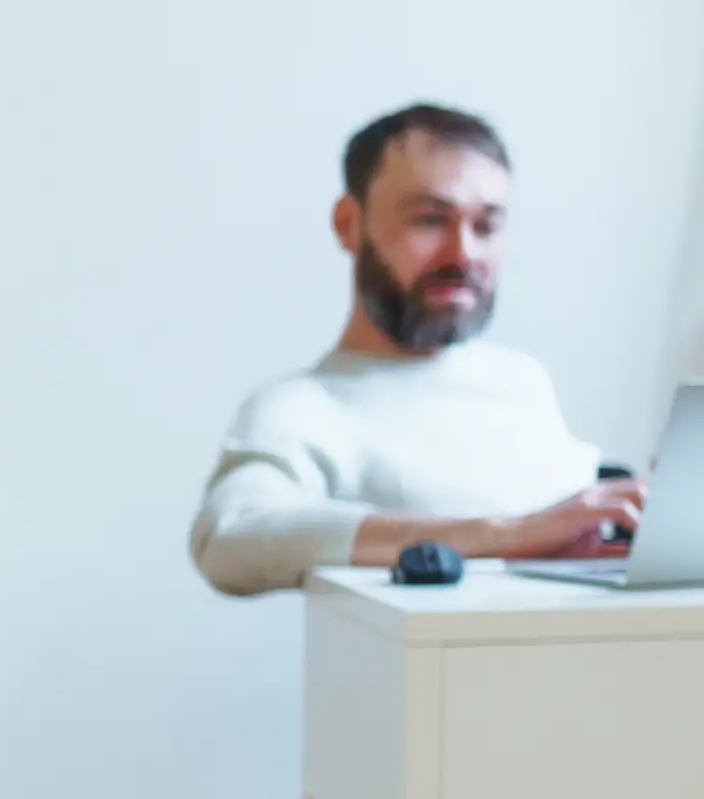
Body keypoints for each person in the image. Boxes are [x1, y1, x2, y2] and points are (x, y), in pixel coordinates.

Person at [189, 106, 643, 595]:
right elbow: (228, 538)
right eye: (429, 220)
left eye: (486, 226)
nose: (463, 255)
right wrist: (507, 536)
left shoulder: (523, 382)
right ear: (349, 224)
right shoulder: (302, 409)